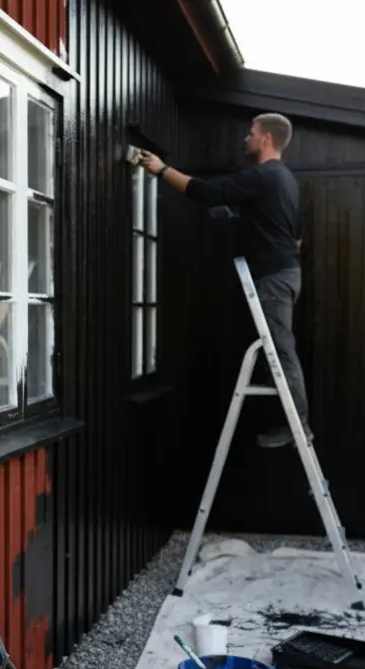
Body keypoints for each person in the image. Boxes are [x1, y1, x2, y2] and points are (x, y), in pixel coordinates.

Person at [139, 113, 310, 449]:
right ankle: (295, 421)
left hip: (274, 278)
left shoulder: (263, 176)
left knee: (280, 351)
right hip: (287, 273)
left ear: (266, 139)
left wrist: (161, 170)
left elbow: (211, 192)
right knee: (274, 350)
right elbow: (297, 238)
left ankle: (298, 425)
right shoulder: (286, 181)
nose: (246, 138)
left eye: (251, 133)